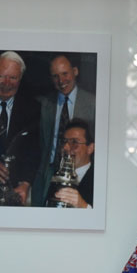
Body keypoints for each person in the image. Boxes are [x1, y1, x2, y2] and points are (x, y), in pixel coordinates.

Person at [32, 54, 96, 206]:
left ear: (75, 71)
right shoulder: (45, 104)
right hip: (48, 173)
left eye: (65, 74)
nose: (61, 81)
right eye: (55, 76)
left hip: (78, 172)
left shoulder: (93, 103)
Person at [0, 51, 40, 206]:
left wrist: (26, 183)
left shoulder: (32, 108)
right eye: (2, 76)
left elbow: (34, 150)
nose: (7, 83)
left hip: (14, 190)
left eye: (13, 77)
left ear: (20, 80)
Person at [49, 119, 95, 208]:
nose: (65, 147)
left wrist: (83, 206)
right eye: (64, 142)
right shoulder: (53, 177)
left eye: (74, 142)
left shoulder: (100, 180)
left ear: (90, 148)